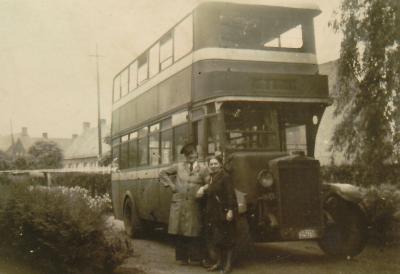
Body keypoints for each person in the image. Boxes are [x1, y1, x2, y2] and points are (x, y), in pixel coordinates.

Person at [159, 143, 209, 264]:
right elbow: (162, 173)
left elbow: (209, 182)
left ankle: (196, 258)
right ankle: (183, 258)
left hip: (194, 203)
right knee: (180, 230)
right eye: (188, 154)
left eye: (192, 153)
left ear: (196, 154)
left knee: (194, 230)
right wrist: (171, 185)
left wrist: (202, 189)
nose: (190, 156)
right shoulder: (179, 166)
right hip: (179, 203)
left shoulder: (203, 168)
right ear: (185, 156)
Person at [196, 155, 237, 274]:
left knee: (228, 240)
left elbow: (230, 194)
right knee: (217, 239)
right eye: (211, 164)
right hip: (214, 213)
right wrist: (203, 188)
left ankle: (228, 266)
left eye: (215, 164)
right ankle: (219, 263)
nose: (213, 166)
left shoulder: (225, 177)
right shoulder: (212, 178)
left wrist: (230, 210)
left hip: (223, 212)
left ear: (220, 164)